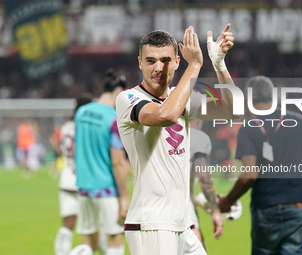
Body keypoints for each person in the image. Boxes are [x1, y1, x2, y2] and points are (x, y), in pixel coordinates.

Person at [116, 24, 237, 255]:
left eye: (166, 60)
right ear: (140, 63)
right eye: (150, 60)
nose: (158, 68)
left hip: (182, 225)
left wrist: (219, 65)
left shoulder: (181, 97)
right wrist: (195, 65)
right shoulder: (128, 98)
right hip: (152, 224)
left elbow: (233, 110)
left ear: (177, 61)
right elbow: (166, 115)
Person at [218, 76, 302, 255]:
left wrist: (227, 202)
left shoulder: (248, 128)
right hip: (298, 208)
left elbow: (249, 174)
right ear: (273, 97)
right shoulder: (299, 121)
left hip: (266, 208)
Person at [69, 69, 129, 255]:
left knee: (88, 240)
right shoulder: (114, 119)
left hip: (84, 188)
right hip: (107, 189)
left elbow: (76, 149)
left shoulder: (81, 113)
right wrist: (124, 197)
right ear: (119, 92)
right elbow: (117, 163)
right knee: (114, 237)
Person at [54, 93, 94, 255]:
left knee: (67, 226)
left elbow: (61, 147)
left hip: (66, 177)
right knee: (92, 227)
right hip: (84, 178)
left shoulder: (66, 126)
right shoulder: (86, 124)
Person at [189, 120, 223, 248]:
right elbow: (203, 174)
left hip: (149, 208)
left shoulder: (159, 131)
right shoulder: (197, 137)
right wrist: (215, 209)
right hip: (182, 207)